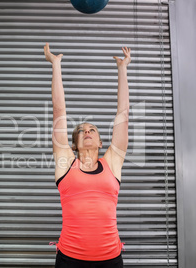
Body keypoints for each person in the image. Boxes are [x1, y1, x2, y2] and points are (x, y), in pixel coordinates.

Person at [44, 44, 131, 268]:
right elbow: (58, 111)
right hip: (70, 260)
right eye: (82, 130)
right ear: (74, 144)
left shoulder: (112, 162)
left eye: (92, 129)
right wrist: (56, 66)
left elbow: (123, 113)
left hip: (110, 259)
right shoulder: (65, 163)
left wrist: (122, 69)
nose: (87, 132)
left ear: (102, 142)